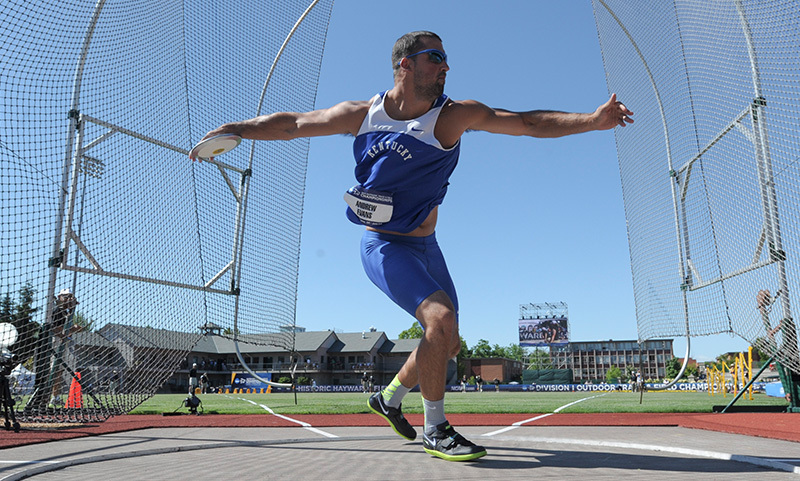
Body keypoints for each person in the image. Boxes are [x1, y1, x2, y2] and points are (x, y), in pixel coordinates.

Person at [191, 30, 633, 461]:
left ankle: (390, 397)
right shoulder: (362, 114)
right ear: (405, 63)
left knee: (448, 341)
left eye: (445, 59)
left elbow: (526, 123)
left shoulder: (453, 115)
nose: (445, 67)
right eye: (435, 58)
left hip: (428, 246)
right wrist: (237, 129)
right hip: (384, 245)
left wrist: (592, 121)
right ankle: (436, 429)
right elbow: (293, 125)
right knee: (438, 321)